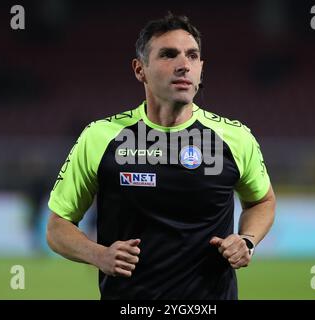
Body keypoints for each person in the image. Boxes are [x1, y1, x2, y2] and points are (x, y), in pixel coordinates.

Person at [46, 12, 276, 300]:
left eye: (192, 56)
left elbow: (262, 201)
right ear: (139, 69)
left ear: (201, 69)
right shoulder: (100, 136)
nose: (184, 65)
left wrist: (247, 240)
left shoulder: (235, 137)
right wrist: (99, 255)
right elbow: (57, 226)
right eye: (169, 55)